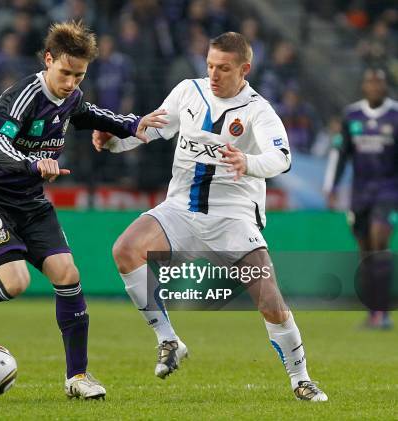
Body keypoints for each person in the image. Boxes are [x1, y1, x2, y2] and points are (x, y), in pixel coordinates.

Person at [0, 21, 165, 400]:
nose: (70, 82)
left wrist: (134, 124)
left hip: (29, 200)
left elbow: (94, 114)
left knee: (67, 273)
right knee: (15, 281)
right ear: (48, 61)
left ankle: (77, 377)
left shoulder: (73, 96)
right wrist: (34, 164)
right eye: (64, 72)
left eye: (79, 75)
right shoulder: (22, 95)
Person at [93, 32, 328, 402]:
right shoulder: (188, 91)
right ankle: (169, 340)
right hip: (180, 210)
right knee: (125, 249)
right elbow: (154, 127)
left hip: (233, 219)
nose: (214, 74)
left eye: (224, 68)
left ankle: (301, 379)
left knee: (270, 300)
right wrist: (116, 141)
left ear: (245, 69)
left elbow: (282, 158)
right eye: (210, 66)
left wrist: (247, 161)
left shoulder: (258, 111)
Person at [324, 68, 397, 329]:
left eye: (379, 82)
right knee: (365, 249)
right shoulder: (352, 115)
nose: (375, 86)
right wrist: (330, 185)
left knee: (380, 239)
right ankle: (373, 312)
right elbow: (340, 153)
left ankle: (384, 312)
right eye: (370, 82)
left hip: (389, 190)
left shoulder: (395, 115)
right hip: (360, 193)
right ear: (364, 86)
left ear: (386, 86)